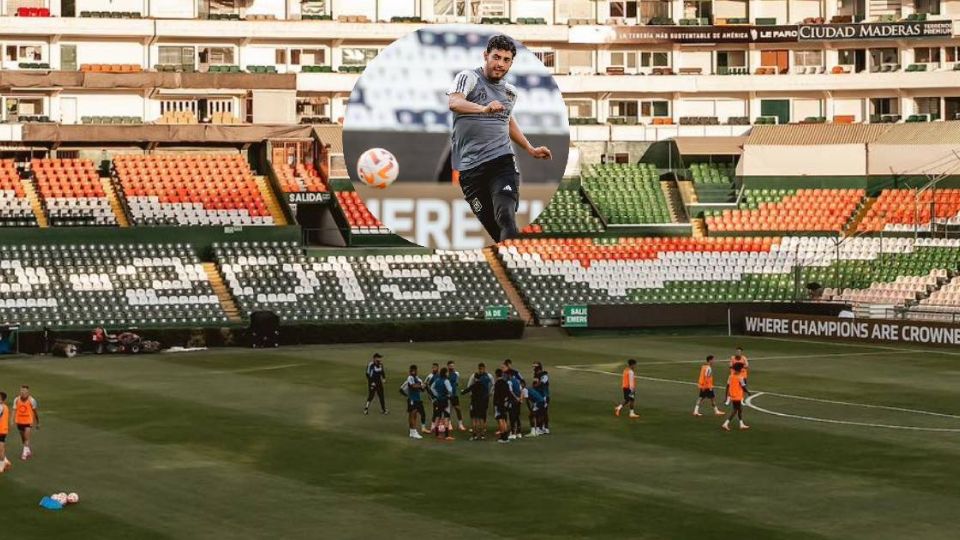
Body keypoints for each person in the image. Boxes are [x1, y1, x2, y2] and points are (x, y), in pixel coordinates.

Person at [446, 34, 552, 243]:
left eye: (506, 60)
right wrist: (483, 108)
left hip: (501, 162)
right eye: (496, 57)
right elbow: (455, 102)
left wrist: (530, 149)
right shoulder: (469, 77)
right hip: (469, 170)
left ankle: (515, 264)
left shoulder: (510, 93)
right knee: (495, 231)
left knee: (505, 216)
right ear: (486, 56)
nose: (500, 64)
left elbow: (507, 121)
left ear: (512, 63)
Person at [463, 362, 494, 441]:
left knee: (474, 419)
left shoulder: (475, 384)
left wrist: (465, 392)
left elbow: (468, 389)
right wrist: (490, 393)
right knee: (482, 418)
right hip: (483, 401)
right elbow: (492, 385)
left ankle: (474, 435)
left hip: (475, 402)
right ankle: (482, 435)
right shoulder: (486, 380)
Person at [400, 365, 428, 439]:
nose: (413, 372)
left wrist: (423, 386)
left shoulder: (418, 378)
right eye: (412, 370)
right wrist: (420, 385)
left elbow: (422, 389)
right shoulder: (410, 378)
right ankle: (413, 431)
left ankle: (412, 432)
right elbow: (413, 386)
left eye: (414, 370)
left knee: (414, 415)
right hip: (412, 399)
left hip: (417, 399)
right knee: (412, 414)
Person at [722, 364, 750, 431]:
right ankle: (726, 423)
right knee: (735, 410)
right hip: (737, 396)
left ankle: (741, 424)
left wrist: (726, 396)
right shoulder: (740, 377)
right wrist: (748, 392)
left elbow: (727, 386)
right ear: (739, 369)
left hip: (732, 395)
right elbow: (743, 387)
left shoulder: (730, 376)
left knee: (739, 409)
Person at [13, 385, 38, 461]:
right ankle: (28, 450)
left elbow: (35, 412)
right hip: (20, 421)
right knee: (23, 438)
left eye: (25, 391)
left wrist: (37, 422)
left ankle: (24, 454)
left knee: (27, 438)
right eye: (22, 390)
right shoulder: (16, 399)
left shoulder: (32, 400)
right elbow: (14, 409)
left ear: (28, 392)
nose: (23, 392)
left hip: (28, 422)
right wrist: (12, 420)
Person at [430, 367, 455, 441]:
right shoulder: (446, 381)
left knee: (438, 415)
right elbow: (450, 390)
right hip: (445, 400)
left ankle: (437, 434)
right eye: (447, 372)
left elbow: (432, 388)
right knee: (446, 416)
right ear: (445, 373)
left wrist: (436, 394)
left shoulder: (437, 380)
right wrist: (449, 395)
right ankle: (447, 435)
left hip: (438, 400)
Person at [446, 361, 467, 432]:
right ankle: (449, 424)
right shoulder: (446, 374)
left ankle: (460, 424)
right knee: (448, 410)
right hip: (448, 395)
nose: (452, 367)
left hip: (454, 395)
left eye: (453, 366)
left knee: (458, 409)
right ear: (448, 366)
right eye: (450, 366)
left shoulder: (456, 374)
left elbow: (457, 382)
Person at [492, 368, 511, 443]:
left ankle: (503, 437)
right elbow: (508, 393)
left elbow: (496, 395)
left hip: (499, 404)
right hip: (505, 403)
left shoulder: (497, 383)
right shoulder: (505, 382)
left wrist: (495, 404)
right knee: (504, 420)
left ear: (496, 375)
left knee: (500, 420)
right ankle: (505, 437)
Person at [532, 362, 550, 434]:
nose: (533, 369)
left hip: (544, 396)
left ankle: (545, 428)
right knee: (540, 412)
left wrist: (535, 385)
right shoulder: (536, 375)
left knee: (543, 412)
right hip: (538, 396)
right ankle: (541, 427)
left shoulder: (544, 375)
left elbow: (541, 383)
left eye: (534, 367)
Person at [506, 367, 523, 439]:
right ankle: (519, 432)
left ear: (509, 374)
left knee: (512, 417)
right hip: (518, 401)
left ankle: (513, 433)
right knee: (517, 416)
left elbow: (510, 391)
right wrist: (520, 399)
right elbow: (522, 390)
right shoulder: (517, 381)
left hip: (513, 401)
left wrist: (516, 398)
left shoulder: (509, 382)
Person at [424, 363, 440, 431]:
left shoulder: (439, 375)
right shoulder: (430, 376)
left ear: (438, 368)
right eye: (433, 367)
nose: (434, 369)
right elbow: (425, 386)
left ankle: (437, 424)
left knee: (439, 410)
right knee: (435, 410)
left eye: (435, 367)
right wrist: (430, 395)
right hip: (433, 396)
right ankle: (433, 425)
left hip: (439, 396)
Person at [0, 391, 10, 473]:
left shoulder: (1, 407)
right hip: (3, 430)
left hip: (1, 431)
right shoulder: (5, 406)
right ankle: (5, 461)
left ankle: (1, 466)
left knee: (1, 449)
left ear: (2, 400)